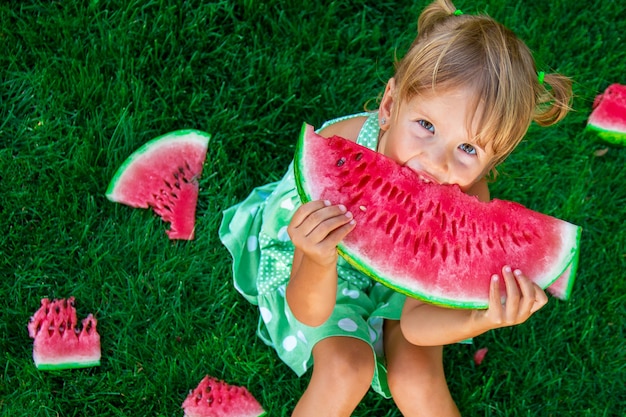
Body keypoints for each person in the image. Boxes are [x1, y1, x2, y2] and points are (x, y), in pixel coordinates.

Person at [219, 0, 573, 415]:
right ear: (389, 106)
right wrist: (316, 257)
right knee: (346, 368)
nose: (437, 164)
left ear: (491, 163)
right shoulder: (341, 154)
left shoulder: (468, 198)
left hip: (408, 286)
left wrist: (483, 319)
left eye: (467, 148)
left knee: (418, 377)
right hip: (324, 266)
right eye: (426, 126)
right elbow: (308, 311)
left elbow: (419, 323)